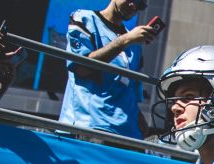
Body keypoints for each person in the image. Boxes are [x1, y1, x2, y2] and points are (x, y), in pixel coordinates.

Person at [59, 0, 160, 139]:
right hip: (91, 126)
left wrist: (138, 117)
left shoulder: (135, 43)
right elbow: (81, 68)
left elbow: (131, 90)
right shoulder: (84, 18)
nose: (133, 6)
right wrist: (124, 41)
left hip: (128, 134)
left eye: (140, 5)